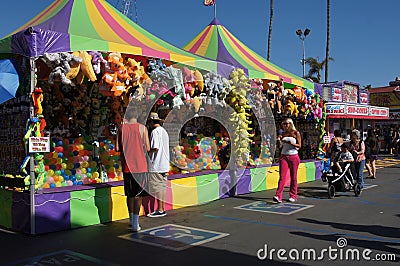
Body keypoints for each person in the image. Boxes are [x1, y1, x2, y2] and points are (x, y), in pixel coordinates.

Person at [115, 106, 150, 232]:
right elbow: (148, 147)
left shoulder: (121, 129)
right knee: (138, 196)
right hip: (140, 166)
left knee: (129, 194)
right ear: (137, 116)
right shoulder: (143, 128)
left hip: (127, 167)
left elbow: (117, 148)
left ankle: (131, 219)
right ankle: (136, 222)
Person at [147, 112, 170, 218]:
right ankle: (162, 208)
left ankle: (160, 209)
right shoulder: (164, 131)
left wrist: (146, 150)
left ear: (152, 122)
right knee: (163, 187)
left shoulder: (155, 132)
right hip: (164, 163)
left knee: (158, 187)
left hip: (157, 163)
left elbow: (154, 147)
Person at [273, 118, 301, 203]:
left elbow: (299, 146)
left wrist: (291, 143)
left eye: (287, 123)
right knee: (282, 176)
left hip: (293, 156)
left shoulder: (296, 133)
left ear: (291, 124)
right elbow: (280, 146)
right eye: (284, 124)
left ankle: (293, 195)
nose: (286, 125)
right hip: (284, 155)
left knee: (293, 177)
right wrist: (278, 140)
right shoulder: (283, 134)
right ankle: (278, 196)